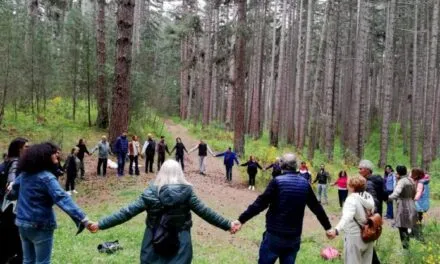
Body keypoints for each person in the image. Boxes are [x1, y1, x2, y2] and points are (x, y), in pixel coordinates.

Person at [90, 160, 239, 264]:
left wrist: (100, 224)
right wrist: (228, 224)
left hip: (153, 239)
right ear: (180, 172)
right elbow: (206, 212)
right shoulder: (187, 192)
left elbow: (126, 212)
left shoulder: (151, 192)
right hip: (181, 241)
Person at [234, 153, 332, 264]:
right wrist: (328, 227)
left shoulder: (277, 182)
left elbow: (259, 204)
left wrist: (241, 220)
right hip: (293, 238)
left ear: (282, 165)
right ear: (296, 166)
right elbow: (317, 208)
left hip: (274, 236)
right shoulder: (305, 184)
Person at [7, 142, 95, 264]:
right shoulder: (47, 177)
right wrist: (84, 219)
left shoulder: (24, 175)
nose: (57, 156)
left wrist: (10, 187)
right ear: (44, 156)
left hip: (22, 224)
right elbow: (62, 198)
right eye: (54, 153)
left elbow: (12, 192)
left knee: (28, 261)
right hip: (40, 226)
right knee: (43, 262)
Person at [327, 176, 375, 264]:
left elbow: (347, 216)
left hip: (354, 237)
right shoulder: (368, 196)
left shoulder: (351, 199)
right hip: (368, 235)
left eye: (348, 184)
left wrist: (336, 230)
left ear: (352, 187)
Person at [0, 137, 28, 264]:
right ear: (19, 149)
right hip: (13, 209)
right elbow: (12, 177)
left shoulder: (5, 162)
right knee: (17, 244)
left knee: (7, 241)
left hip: (4, 208)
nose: (29, 149)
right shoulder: (17, 162)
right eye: (26, 147)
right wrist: (12, 185)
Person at [358, 159, 387, 264]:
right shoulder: (378, 181)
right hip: (376, 217)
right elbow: (385, 196)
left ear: (367, 170)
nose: (359, 171)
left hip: (371, 218)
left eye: (361, 169)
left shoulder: (369, 183)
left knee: (366, 241)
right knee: (368, 241)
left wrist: (371, 214)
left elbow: (374, 201)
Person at [388, 165, 417, 249]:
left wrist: (389, 197)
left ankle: (406, 248)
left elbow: (397, 192)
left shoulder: (401, 181)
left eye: (396, 172)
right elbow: (414, 192)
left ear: (399, 173)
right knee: (407, 226)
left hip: (403, 206)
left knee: (402, 228)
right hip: (411, 204)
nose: (395, 173)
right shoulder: (411, 180)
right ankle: (407, 246)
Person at [411, 168, 430, 240]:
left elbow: (418, 193)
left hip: (418, 205)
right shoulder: (424, 181)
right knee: (418, 220)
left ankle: (420, 237)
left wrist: (413, 199)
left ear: (416, 175)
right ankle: (415, 235)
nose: (411, 175)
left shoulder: (420, 183)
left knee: (416, 221)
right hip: (422, 204)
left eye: (413, 174)